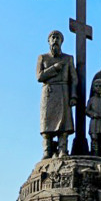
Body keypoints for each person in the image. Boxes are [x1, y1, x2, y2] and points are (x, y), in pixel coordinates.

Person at [37, 30, 77, 158]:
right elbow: (39, 76)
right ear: (49, 41)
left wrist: (73, 95)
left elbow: (74, 78)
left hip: (63, 92)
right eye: (53, 37)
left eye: (58, 38)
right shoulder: (43, 57)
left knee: (64, 123)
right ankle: (47, 151)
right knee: (47, 123)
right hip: (49, 93)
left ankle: (63, 149)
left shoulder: (68, 58)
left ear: (61, 41)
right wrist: (54, 68)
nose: (55, 40)